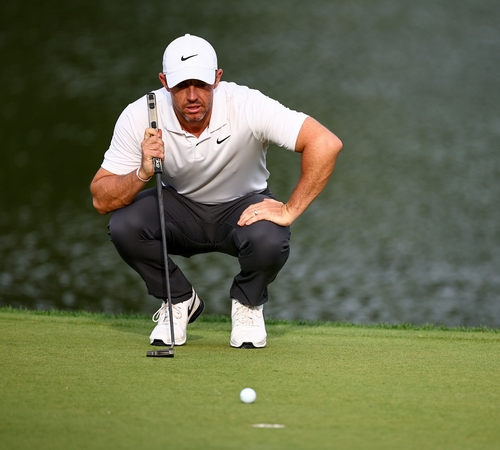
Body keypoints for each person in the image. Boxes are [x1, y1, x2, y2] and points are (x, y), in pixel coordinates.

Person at [90, 34, 342, 349]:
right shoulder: (142, 113)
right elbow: (101, 198)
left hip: (243, 208)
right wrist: (142, 172)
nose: (192, 96)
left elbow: (325, 143)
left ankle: (248, 304)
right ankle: (178, 299)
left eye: (201, 84)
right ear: (164, 82)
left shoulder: (247, 105)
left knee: (270, 237)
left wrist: (290, 209)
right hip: (179, 209)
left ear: (217, 79)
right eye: (181, 86)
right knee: (124, 224)